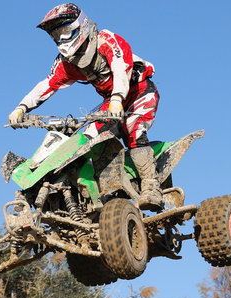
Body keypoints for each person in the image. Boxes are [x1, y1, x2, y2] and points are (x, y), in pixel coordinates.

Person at [8, 3, 162, 210]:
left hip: (138, 91)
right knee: (85, 142)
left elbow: (121, 69)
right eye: (55, 34)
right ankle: (93, 196)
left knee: (133, 127)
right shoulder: (67, 62)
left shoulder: (107, 41)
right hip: (112, 102)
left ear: (79, 25)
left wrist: (117, 98)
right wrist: (22, 107)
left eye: (64, 30)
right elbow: (48, 83)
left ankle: (151, 186)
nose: (61, 38)